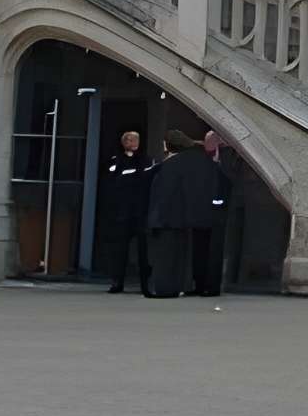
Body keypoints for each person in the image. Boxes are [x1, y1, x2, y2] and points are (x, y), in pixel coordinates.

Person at [145, 128, 232, 299]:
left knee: (173, 252)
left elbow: (166, 191)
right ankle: (201, 285)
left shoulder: (173, 164)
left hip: (179, 215)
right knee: (199, 251)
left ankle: (174, 287)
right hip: (202, 213)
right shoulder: (204, 161)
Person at [98, 128, 154, 295]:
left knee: (143, 251)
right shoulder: (116, 160)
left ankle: (145, 284)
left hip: (140, 211)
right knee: (119, 250)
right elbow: (112, 182)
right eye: (130, 140)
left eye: (136, 140)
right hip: (122, 212)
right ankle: (117, 282)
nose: (133, 143)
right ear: (124, 143)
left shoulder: (146, 160)